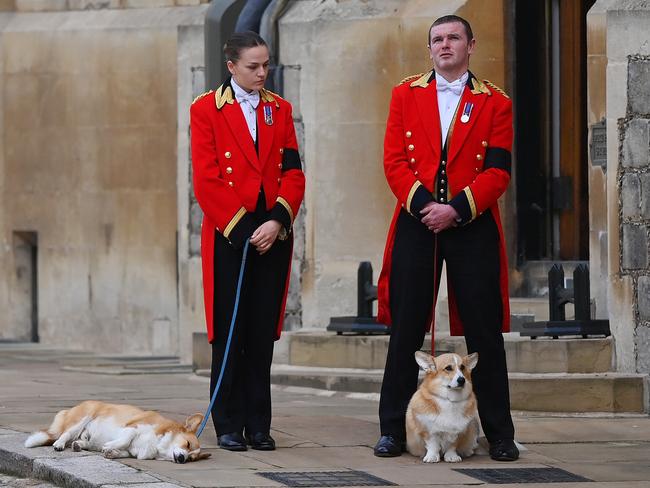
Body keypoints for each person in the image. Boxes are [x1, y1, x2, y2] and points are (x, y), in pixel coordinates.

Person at [374, 15, 518, 462]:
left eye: (454, 37)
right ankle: (393, 431)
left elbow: (498, 170)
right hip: (417, 221)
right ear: (430, 48)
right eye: (437, 39)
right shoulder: (405, 93)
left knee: (483, 334)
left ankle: (499, 434)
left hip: (470, 223)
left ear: (471, 45)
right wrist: (425, 207)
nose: (445, 45)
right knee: (406, 330)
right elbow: (394, 160)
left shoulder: (495, 101)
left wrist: (455, 208)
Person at [190, 31, 305, 452]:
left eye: (266, 64)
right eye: (254, 66)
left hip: (272, 231)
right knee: (229, 330)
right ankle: (227, 423)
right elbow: (206, 179)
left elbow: (293, 171)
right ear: (232, 66)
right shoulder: (206, 109)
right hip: (230, 232)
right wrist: (242, 230)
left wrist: (277, 220)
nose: (262, 72)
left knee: (260, 332)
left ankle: (259, 424)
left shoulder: (280, 109)